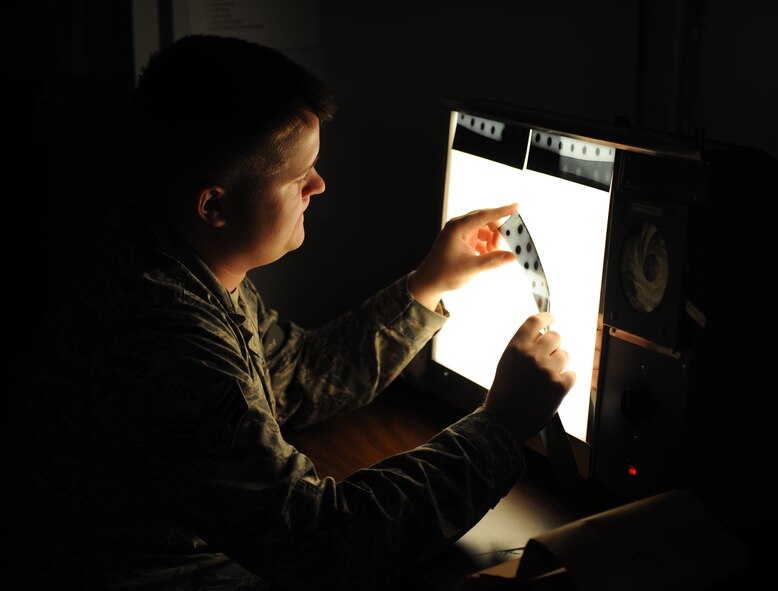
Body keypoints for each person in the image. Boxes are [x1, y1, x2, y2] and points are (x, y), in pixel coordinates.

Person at [6, 34, 575, 590]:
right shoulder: (160, 333)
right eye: (299, 177)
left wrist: (427, 285)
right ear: (215, 205)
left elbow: (298, 376)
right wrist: (500, 427)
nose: (320, 186)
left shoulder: (176, 258)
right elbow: (323, 545)